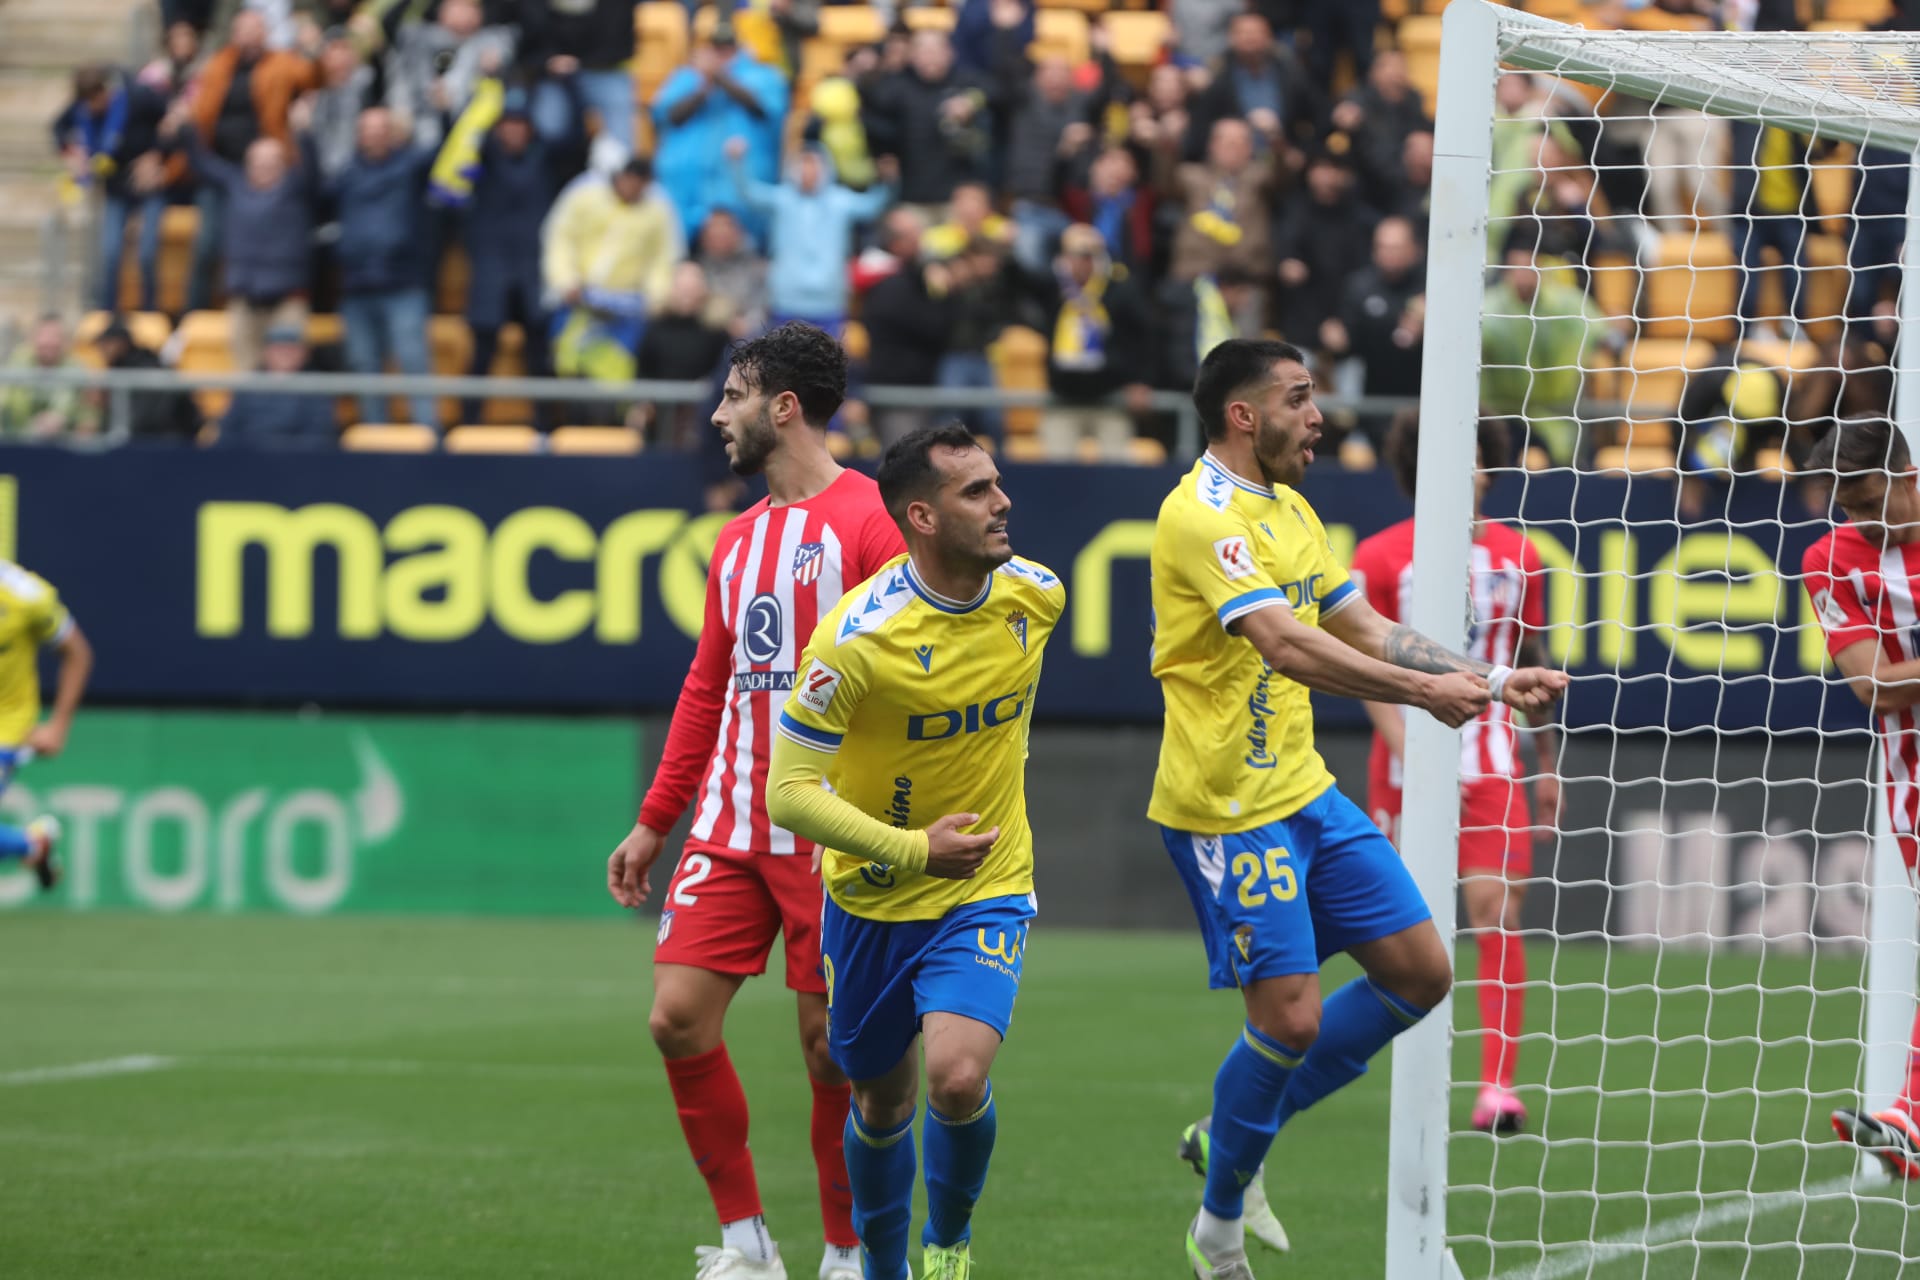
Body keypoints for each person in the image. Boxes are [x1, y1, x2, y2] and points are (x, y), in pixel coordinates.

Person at [1151, 339, 1566, 1279]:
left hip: (1302, 792)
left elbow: (1368, 626)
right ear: (1244, 416)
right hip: (1226, 808)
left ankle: (1233, 1135)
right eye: (1300, 399)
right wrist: (1424, 699)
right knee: (1291, 1019)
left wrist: (1492, 679)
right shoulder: (1198, 515)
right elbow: (1286, 645)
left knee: (1422, 974)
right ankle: (1218, 1228)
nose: (1320, 416)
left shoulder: (1291, 508)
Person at [605, 322, 906, 1280]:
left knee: (830, 1052)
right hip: (731, 826)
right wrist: (658, 820)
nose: (716, 415)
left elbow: (911, 681)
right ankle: (746, 1244)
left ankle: (846, 1250)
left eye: (732, 397)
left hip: (832, 836)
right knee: (676, 1017)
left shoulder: (872, 523)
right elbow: (709, 686)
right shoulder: (735, 542)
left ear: (783, 408)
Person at [765, 421, 1067, 1280]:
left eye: (997, 482)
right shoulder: (854, 639)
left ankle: (950, 1245)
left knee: (958, 1079)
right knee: (879, 1098)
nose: (1003, 502)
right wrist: (910, 847)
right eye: (976, 491)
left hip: (986, 885)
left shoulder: (1036, 595)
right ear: (922, 518)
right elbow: (787, 792)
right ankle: (883, 1268)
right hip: (870, 902)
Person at [1348, 411, 1557, 1132]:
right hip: (1403, 769)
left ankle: (1497, 1086)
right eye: (1447, 455)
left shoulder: (1521, 557)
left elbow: (1535, 656)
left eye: (1471, 456)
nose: (1464, 470)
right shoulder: (1377, 556)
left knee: (1495, 913)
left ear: (1488, 467)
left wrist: (1548, 766)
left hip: (1494, 765)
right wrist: (1405, 746)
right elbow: (1366, 667)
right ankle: (1398, 1072)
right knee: (1398, 932)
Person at [1803, 418, 1920, 1179]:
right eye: (1848, 503)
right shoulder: (1830, 560)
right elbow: (1874, 684)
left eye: (1873, 498)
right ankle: (1910, 1112)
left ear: (1909, 476)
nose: (1861, 519)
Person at [329, 106, 436, 427]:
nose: (374, 134)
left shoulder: (412, 166)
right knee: (365, 368)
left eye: (381, 128)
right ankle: (375, 442)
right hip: (357, 288)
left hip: (403, 285)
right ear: (359, 135)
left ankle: (430, 440)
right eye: (368, 129)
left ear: (392, 133)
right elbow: (313, 191)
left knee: (414, 364)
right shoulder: (346, 174)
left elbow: (445, 154)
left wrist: (443, 113)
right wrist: (304, 135)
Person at [728, 137, 896, 331]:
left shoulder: (840, 201)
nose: (808, 171)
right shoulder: (783, 199)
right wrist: (737, 164)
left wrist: (888, 182)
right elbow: (749, 193)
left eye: (814, 164)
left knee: (827, 357)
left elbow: (874, 206)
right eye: (803, 164)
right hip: (786, 300)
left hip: (830, 301)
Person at [0, 560, 90, 893]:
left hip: (6, 728)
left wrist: (58, 727)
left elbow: (78, 653)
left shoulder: (26, 596)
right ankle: (32, 844)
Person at [217, 324, 339, 447]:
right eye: (278, 349)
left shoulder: (317, 385)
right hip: (249, 458)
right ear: (266, 352)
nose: (284, 354)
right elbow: (229, 430)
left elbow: (321, 434)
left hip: (299, 460)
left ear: (304, 353)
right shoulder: (249, 385)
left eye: (291, 349)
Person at [1, 316, 101, 439]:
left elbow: (88, 415)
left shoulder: (78, 369)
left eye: (56, 336)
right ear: (32, 339)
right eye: (43, 335)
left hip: (62, 446)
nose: (49, 341)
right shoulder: (15, 364)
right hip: (16, 444)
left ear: (66, 342)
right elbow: (4, 401)